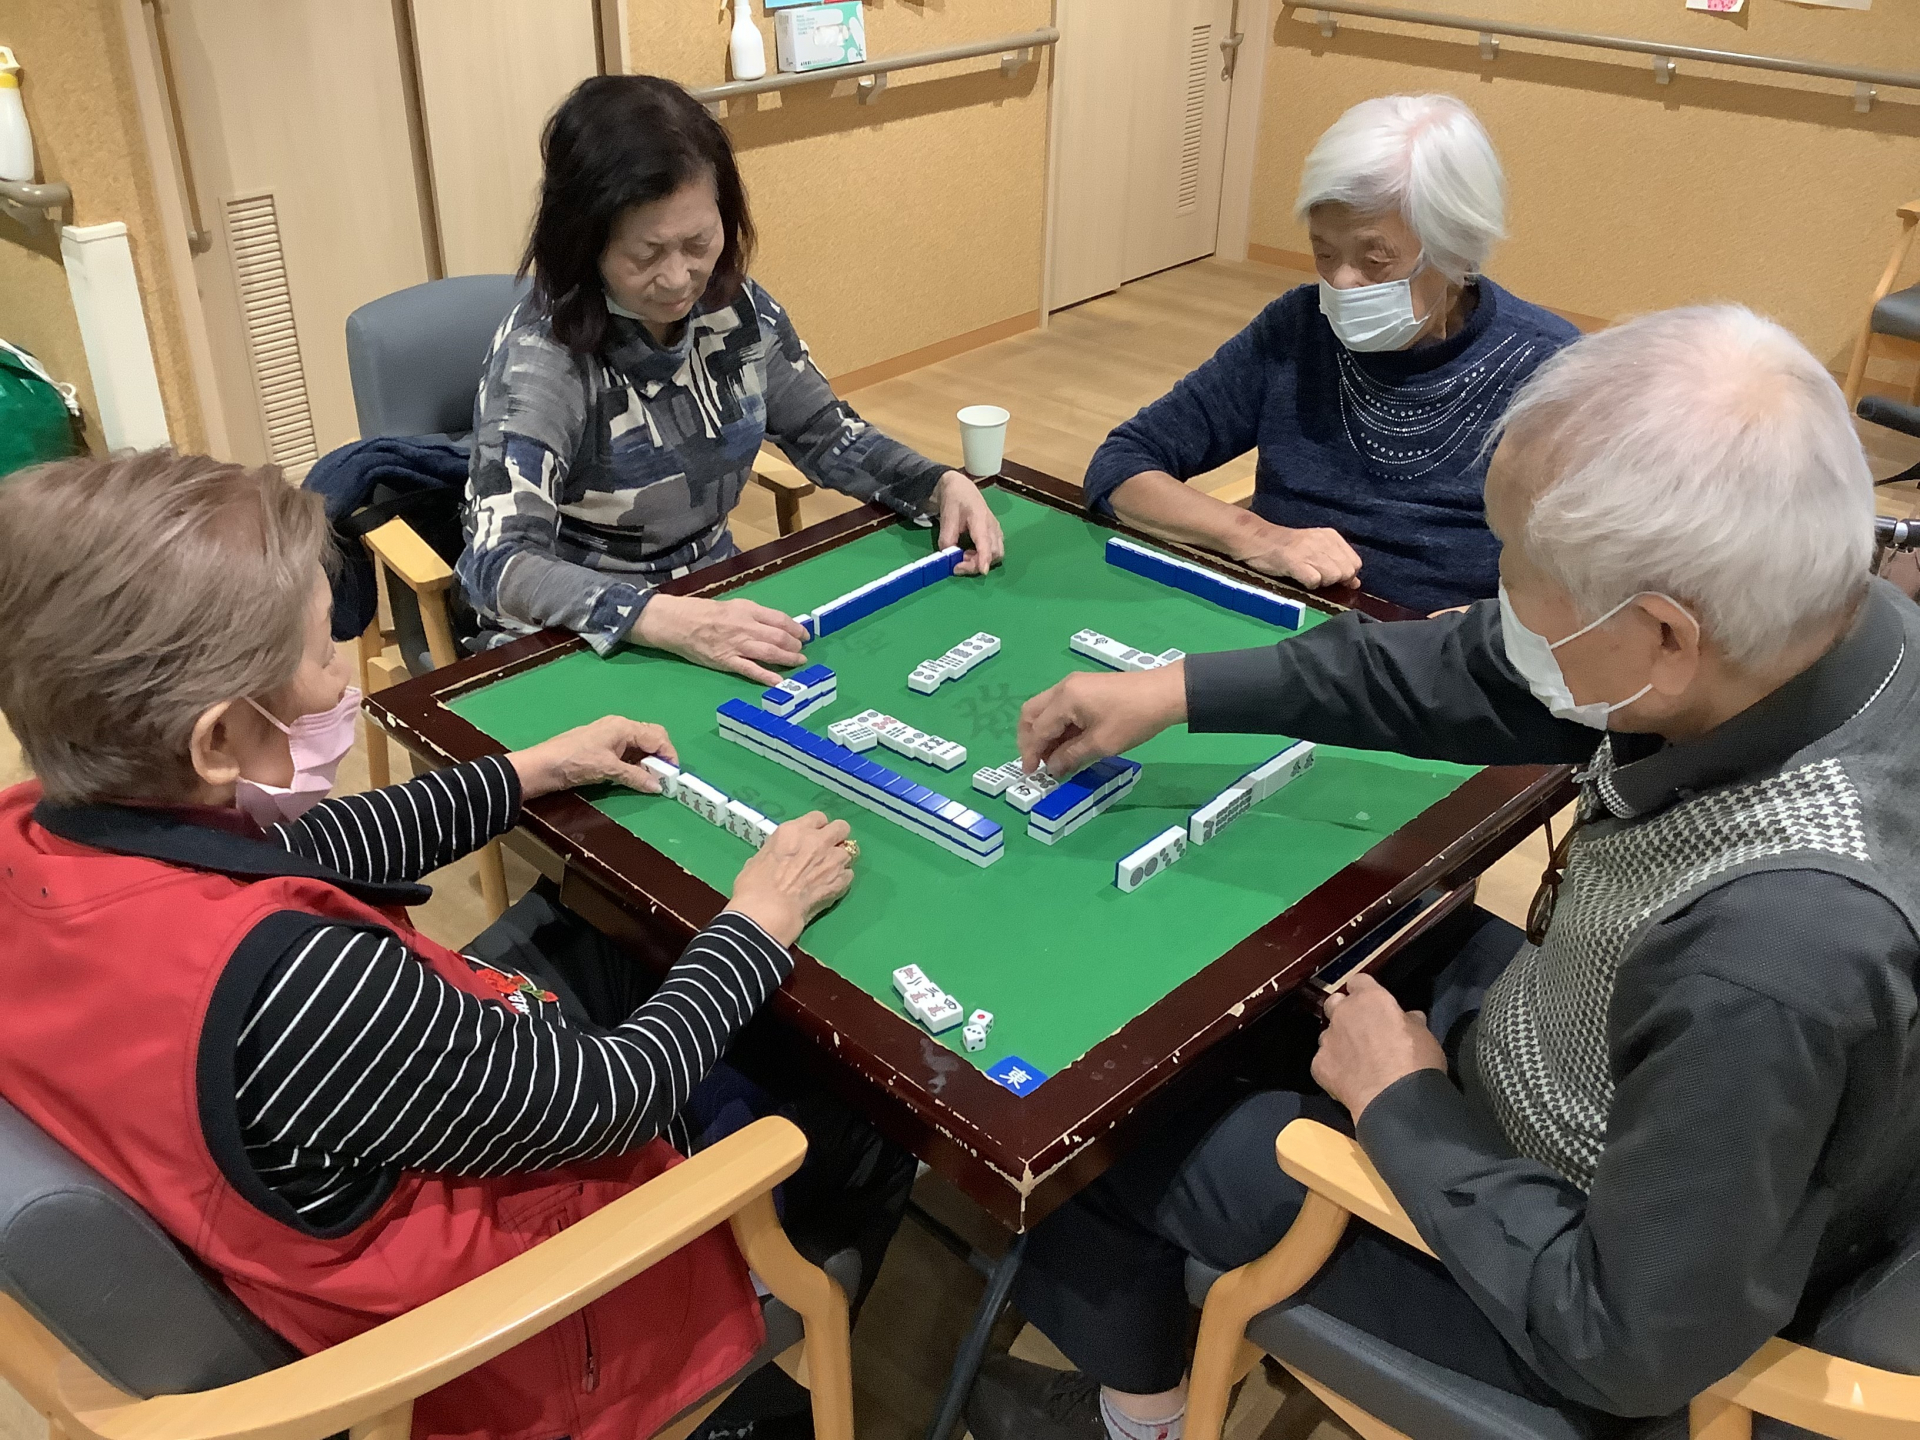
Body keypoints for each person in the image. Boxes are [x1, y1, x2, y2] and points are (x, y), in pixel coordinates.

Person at [968, 306, 1920, 1440]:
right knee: (1277, 980)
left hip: (1606, 1315)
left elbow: (1621, 1341)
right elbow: (1457, 672)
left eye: (1522, 577)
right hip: (1619, 1077)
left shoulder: (1773, 957)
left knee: (1110, 1130)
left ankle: (1137, 1418)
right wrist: (1178, 690)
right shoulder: (1823, 625)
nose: (1496, 601)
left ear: (1666, 638)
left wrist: (1402, 1106)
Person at [0, 450, 913, 1440]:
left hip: (309, 1175)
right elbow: (613, 1101)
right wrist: (759, 920)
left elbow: (299, 849)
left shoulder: (48, 836)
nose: (341, 674)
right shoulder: (304, 987)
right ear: (217, 742)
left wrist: (531, 770)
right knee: (861, 1111)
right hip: (507, 1342)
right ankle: (757, 1407)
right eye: (321, 652)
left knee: (598, 934)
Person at [459, 75, 1004, 680]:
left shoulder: (735, 308)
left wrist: (937, 484)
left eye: (698, 242)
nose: (678, 279)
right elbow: (498, 565)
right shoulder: (543, 358)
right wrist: (657, 616)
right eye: (646, 254)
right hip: (573, 640)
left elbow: (828, 434)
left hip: (716, 595)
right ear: (586, 243)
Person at [1085, 94, 1578, 615]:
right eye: (1324, 252)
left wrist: (1485, 626)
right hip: (1284, 623)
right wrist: (1259, 537)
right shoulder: (1299, 328)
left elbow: (1604, 583)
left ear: (1456, 250)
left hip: (1435, 649)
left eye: (1375, 259)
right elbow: (1122, 465)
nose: (1342, 282)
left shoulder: (1551, 370)